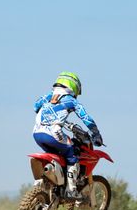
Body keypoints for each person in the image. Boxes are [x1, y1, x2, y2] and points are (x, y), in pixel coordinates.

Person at [32, 71, 103, 200]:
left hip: (37, 133)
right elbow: (87, 119)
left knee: (58, 155)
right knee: (72, 154)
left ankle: (53, 184)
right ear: (73, 86)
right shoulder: (71, 101)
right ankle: (71, 190)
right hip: (53, 134)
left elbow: (35, 106)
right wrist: (96, 134)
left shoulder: (48, 96)